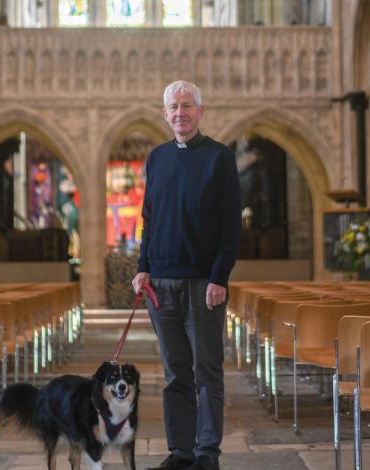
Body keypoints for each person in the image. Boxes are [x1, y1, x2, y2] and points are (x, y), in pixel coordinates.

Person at [132, 80, 241, 470]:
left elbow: (231, 228)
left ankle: (207, 452)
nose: (180, 112)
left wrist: (219, 277)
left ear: (200, 111)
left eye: (187, 106)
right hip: (161, 284)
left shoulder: (220, 158)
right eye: (173, 107)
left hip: (203, 285)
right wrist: (143, 268)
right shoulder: (157, 159)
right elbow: (149, 219)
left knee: (206, 372)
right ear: (165, 114)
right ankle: (180, 450)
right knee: (175, 372)